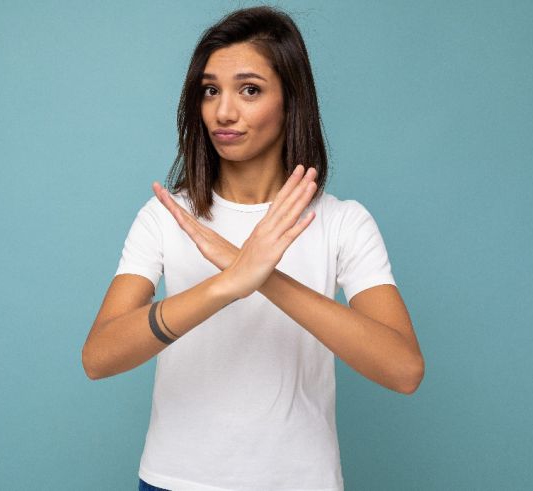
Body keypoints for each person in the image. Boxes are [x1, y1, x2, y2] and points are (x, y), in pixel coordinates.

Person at [81, 6, 424, 491]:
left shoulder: (342, 222)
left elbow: (404, 369)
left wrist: (264, 277)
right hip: (174, 481)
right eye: (210, 90)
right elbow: (99, 357)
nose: (223, 111)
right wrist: (227, 284)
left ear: (291, 100)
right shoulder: (166, 215)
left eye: (250, 90)